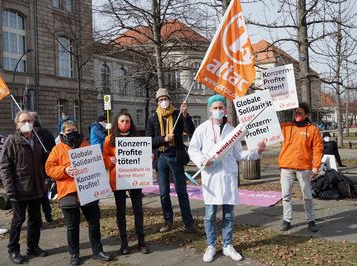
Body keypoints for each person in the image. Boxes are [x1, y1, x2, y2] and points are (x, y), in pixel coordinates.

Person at [188, 95, 266, 263]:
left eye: (220, 107)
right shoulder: (202, 129)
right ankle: (211, 245)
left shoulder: (233, 131)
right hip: (211, 177)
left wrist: (257, 151)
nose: (218, 110)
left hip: (228, 177)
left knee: (229, 215)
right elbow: (193, 149)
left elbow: (239, 154)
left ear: (225, 109)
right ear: (209, 109)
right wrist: (202, 160)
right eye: (215, 108)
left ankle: (228, 245)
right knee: (209, 215)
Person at [45, 120, 113, 265]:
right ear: (62, 133)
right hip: (68, 192)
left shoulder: (86, 145)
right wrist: (65, 170)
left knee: (94, 222)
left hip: (88, 190)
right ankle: (74, 254)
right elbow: (49, 168)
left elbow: (96, 162)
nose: (72, 132)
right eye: (68, 130)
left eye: (74, 129)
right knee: (72, 226)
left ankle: (97, 251)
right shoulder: (57, 149)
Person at [145, 88, 202, 234]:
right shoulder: (153, 118)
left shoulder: (177, 115)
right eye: (160, 99)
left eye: (165, 98)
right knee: (164, 193)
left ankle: (189, 223)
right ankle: (168, 221)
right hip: (161, 159)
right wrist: (164, 139)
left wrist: (185, 115)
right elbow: (149, 140)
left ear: (169, 99)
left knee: (181, 192)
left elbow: (190, 131)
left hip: (175, 157)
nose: (163, 101)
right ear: (157, 102)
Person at [0, 111, 48, 264]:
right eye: (23, 121)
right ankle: (13, 249)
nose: (27, 123)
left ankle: (33, 246)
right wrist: (10, 189)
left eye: (29, 120)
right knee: (18, 221)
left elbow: (42, 162)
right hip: (19, 189)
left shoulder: (37, 139)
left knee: (35, 219)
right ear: (17, 124)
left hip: (36, 187)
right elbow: (5, 167)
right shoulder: (11, 141)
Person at [103, 111, 149, 255]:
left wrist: (149, 157)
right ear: (117, 123)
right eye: (122, 121)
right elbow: (105, 158)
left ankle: (141, 241)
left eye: (127, 121)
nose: (125, 124)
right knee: (121, 211)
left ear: (131, 123)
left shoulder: (137, 138)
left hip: (135, 177)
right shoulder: (109, 139)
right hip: (118, 179)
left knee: (138, 210)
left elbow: (143, 156)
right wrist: (109, 161)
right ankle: (124, 242)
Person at [278, 103, 323, 233]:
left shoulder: (313, 130)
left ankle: (311, 220)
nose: (297, 115)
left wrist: (316, 167)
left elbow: (318, 149)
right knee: (286, 195)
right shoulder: (285, 127)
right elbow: (270, 132)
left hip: (304, 168)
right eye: (295, 113)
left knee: (307, 196)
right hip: (286, 166)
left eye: (300, 113)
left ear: (307, 115)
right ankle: (287, 220)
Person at [30, 112, 56, 224]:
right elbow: (54, 149)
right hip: (45, 167)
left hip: (35, 168)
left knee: (36, 195)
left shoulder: (31, 134)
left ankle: (39, 220)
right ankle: (48, 216)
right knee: (43, 193)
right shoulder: (46, 132)